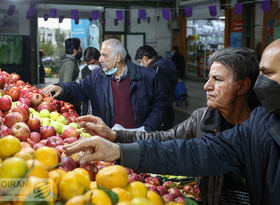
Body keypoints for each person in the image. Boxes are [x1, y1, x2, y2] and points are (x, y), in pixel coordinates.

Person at [64, 39, 280, 205]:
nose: (206, 86)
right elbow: (179, 147)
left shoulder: (262, 129)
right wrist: (117, 142)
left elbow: (161, 108)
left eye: (218, 80)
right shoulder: (234, 124)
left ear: (242, 86)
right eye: (208, 78)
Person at [42, 38, 168, 132]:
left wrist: (148, 127)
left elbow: (161, 105)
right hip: (108, 140)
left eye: (104, 55)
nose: (100, 59)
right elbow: (79, 88)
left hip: (139, 140)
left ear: (118, 57)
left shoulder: (147, 76)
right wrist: (62, 88)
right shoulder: (97, 76)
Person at [135, 45, 177, 130]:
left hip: (161, 109)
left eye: (140, 61)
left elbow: (157, 92)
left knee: (162, 134)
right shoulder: (166, 62)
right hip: (169, 103)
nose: (140, 64)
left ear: (145, 58)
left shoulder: (155, 70)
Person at [81, 47, 100, 115]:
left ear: (98, 59)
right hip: (88, 106)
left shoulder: (105, 70)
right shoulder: (85, 70)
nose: (91, 66)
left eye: (93, 63)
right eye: (88, 64)